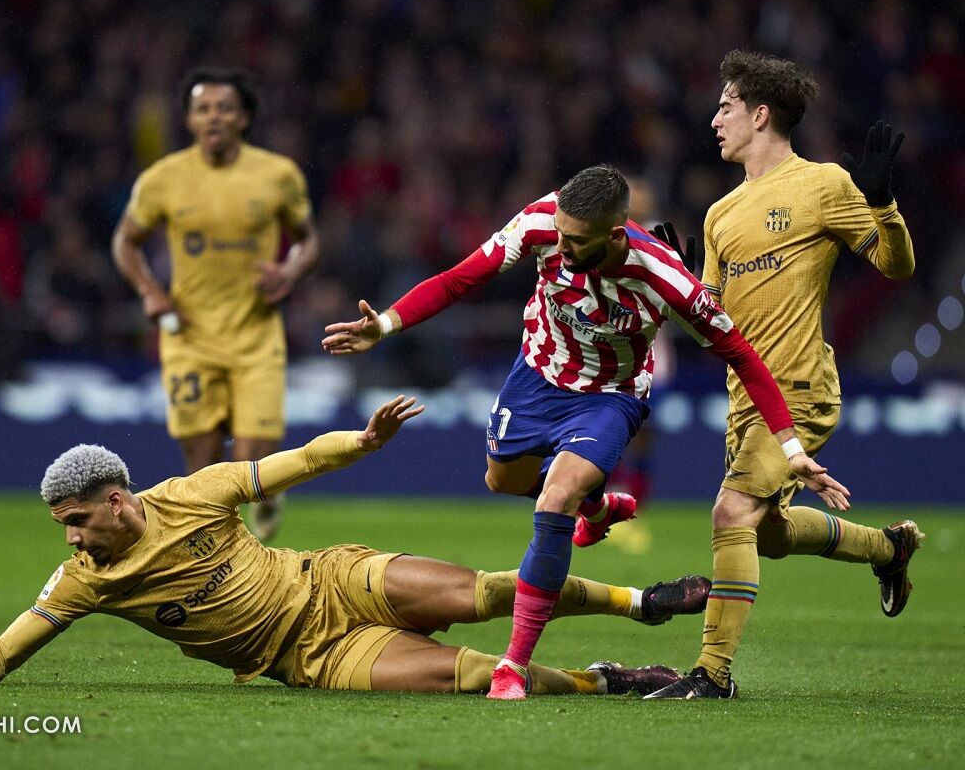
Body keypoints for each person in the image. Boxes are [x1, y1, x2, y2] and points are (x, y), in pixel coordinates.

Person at [322, 165, 848, 701]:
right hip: (536, 375)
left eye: (576, 242)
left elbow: (742, 355)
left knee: (554, 500)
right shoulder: (541, 222)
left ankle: (512, 666)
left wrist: (788, 444)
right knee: (501, 481)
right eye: (561, 236)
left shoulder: (663, 276)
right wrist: (384, 325)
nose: (562, 249)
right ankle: (597, 508)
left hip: (608, 397)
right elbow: (460, 279)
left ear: (615, 235)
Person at [0, 395, 711, 697]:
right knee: (471, 676)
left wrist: (363, 441)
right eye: (66, 529)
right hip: (312, 658)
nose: (74, 539)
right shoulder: (86, 581)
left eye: (77, 520)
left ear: (115, 501)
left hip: (332, 583)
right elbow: (5, 648)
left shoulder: (193, 493)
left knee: (484, 594)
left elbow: (292, 463)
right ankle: (603, 681)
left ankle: (639, 602)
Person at [644, 50, 921, 700]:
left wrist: (884, 205)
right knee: (762, 533)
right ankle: (888, 550)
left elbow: (896, 265)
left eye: (726, 106)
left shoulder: (821, 184)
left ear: (760, 113)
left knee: (730, 510)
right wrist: (680, 288)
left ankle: (712, 675)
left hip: (801, 388)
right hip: (748, 403)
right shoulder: (718, 214)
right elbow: (714, 327)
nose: (715, 119)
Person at [111, 66, 321, 541]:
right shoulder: (163, 179)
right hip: (189, 337)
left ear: (244, 118)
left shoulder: (277, 175)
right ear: (188, 119)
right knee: (201, 470)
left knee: (251, 467)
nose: (214, 117)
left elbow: (309, 241)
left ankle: (256, 532)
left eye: (225, 108)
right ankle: (215, 565)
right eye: (203, 108)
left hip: (256, 335)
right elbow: (125, 242)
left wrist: (289, 269)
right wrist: (150, 289)